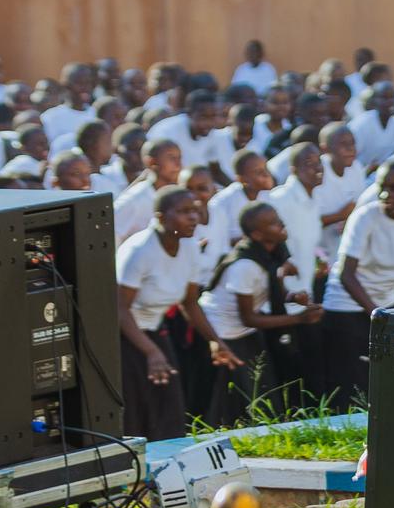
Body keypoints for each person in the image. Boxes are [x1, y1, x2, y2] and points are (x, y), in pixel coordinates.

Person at [319, 162, 394, 408]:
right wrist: (375, 313)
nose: (386, 194)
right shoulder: (364, 216)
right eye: (382, 187)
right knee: (352, 381)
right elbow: (346, 274)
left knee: (382, 376)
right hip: (347, 304)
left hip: (384, 304)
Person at [113, 187, 222, 443]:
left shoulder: (191, 248)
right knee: (136, 413)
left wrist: (216, 340)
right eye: (184, 212)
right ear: (161, 217)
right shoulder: (139, 251)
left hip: (154, 330)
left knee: (170, 409)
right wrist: (151, 352)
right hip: (123, 337)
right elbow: (119, 309)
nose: (193, 217)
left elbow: (190, 303)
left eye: (194, 211)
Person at [197, 201, 321, 425]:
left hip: (245, 328)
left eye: (278, 219)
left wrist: (292, 297)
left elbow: (268, 289)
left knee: (264, 389)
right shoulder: (245, 265)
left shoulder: (271, 252)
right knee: (240, 395)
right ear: (256, 234)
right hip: (224, 331)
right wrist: (299, 319)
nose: (281, 225)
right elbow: (249, 317)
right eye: (273, 223)